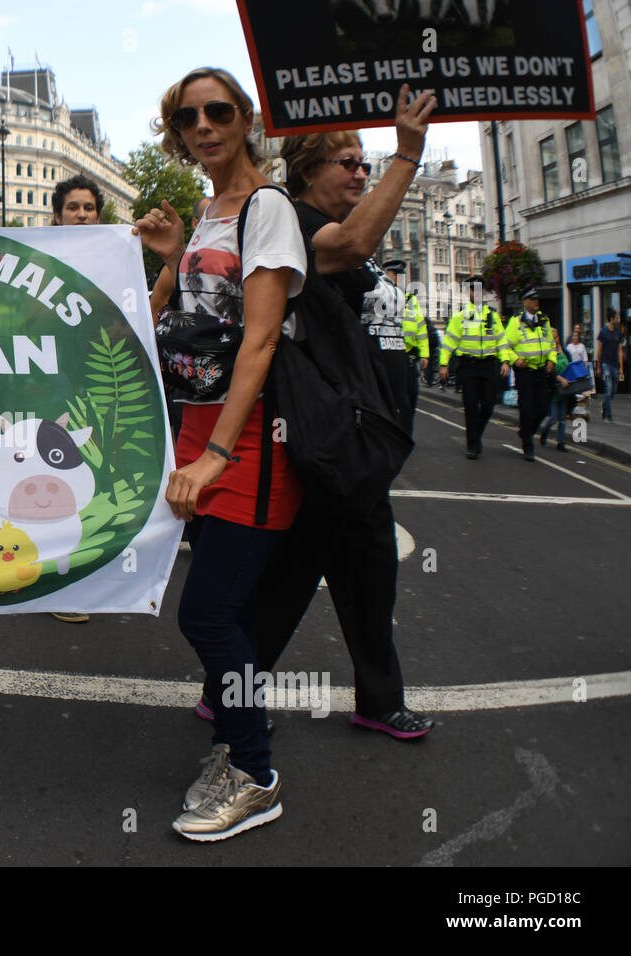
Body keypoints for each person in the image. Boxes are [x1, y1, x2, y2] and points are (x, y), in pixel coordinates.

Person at [231, 86, 437, 745]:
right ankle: (230, 689)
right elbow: (346, 247)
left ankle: (373, 698)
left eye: (363, 162)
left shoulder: (362, 241)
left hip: (364, 443)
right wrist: (407, 153)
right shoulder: (294, 222)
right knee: (302, 573)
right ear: (307, 170)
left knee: (363, 571)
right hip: (331, 442)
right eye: (346, 161)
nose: (359, 171)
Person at [137, 67, 307, 841]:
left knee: (209, 614)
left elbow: (262, 338)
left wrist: (218, 455)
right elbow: (174, 316)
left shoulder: (267, 208)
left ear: (245, 119)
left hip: (249, 438)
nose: (203, 125)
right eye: (187, 117)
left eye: (218, 111)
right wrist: (174, 254)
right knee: (220, 613)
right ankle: (234, 746)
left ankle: (254, 771)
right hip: (196, 426)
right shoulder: (210, 210)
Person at [46, 173, 106, 625]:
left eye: (89, 208)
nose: (82, 214)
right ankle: (52, 578)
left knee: (91, 479)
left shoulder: (114, 258)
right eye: (74, 208)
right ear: (58, 215)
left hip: (96, 388)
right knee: (49, 480)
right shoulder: (39, 261)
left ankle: (78, 573)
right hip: (48, 387)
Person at [439, 277, 512, 458]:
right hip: (468, 366)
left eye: (480, 291)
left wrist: (505, 361)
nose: (477, 294)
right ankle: (473, 444)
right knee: (470, 405)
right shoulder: (460, 315)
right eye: (473, 290)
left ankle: (475, 433)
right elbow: (449, 341)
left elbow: (501, 340)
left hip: (488, 365)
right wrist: (443, 364)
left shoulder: (492, 315)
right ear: (469, 293)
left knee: (488, 404)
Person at [504, 288, 558, 461]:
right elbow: (505, 346)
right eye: (532, 299)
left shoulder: (544, 320)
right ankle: (528, 445)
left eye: (537, 299)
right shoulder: (516, 322)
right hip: (524, 372)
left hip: (541, 371)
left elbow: (551, 344)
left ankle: (525, 432)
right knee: (526, 409)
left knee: (542, 409)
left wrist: (551, 360)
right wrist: (514, 360)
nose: (537, 302)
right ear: (525, 302)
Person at [385, 258, 428, 435]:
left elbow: (421, 327)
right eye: (395, 274)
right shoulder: (380, 296)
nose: (399, 278)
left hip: (408, 357)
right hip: (389, 355)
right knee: (390, 399)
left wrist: (424, 353)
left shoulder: (411, 300)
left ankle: (405, 434)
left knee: (410, 398)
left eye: (401, 274)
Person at [538, 326, 572, 453]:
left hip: (565, 389)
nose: (555, 339)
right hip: (554, 390)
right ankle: (545, 432)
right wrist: (560, 379)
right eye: (553, 337)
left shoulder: (565, 351)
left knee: (562, 418)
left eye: (556, 337)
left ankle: (560, 442)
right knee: (554, 418)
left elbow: (571, 366)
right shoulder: (547, 354)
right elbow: (549, 373)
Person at [597, 307, 625, 422]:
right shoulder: (603, 332)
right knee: (608, 389)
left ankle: (604, 404)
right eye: (617, 318)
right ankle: (608, 415)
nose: (618, 320)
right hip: (606, 364)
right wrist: (598, 366)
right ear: (612, 319)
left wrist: (622, 367)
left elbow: (620, 350)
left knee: (613, 391)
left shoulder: (618, 333)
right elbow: (599, 350)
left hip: (615, 365)